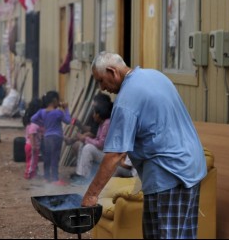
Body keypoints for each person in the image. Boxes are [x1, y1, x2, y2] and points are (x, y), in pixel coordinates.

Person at [81, 51, 207, 239]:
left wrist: (91, 195)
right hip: (190, 166)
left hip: (170, 173)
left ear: (112, 71)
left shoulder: (125, 101)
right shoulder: (155, 76)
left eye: (101, 81)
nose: (102, 88)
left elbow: (115, 155)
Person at [70, 100, 135, 185]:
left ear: (99, 114)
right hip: (113, 157)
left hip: (113, 159)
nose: (93, 116)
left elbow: (101, 144)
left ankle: (83, 176)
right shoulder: (103, 123)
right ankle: (80, 173)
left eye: (94, 113)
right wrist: (86, 139)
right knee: (85, 145)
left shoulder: (107, 123)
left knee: (88, 148)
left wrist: (85, 138)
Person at [31, 91, 71, 186]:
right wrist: (66, 109)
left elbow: (33, 119)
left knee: (47, 158)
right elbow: (68, 121)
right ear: (54, 100)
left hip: (46, 137)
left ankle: (46, 178)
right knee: (55, 158)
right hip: (56, 137)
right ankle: (55, 179)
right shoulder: (58, 112)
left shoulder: (42, 112)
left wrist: (43, 124)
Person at [22, 98, 43, 179]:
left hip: (29, 145)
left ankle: (33, 173)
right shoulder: (34, 124)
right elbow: (31, 135)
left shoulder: (30, 122)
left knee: (32, 161)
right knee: (31, 162)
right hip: (32, 146)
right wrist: (34, 146)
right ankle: (28, 174)